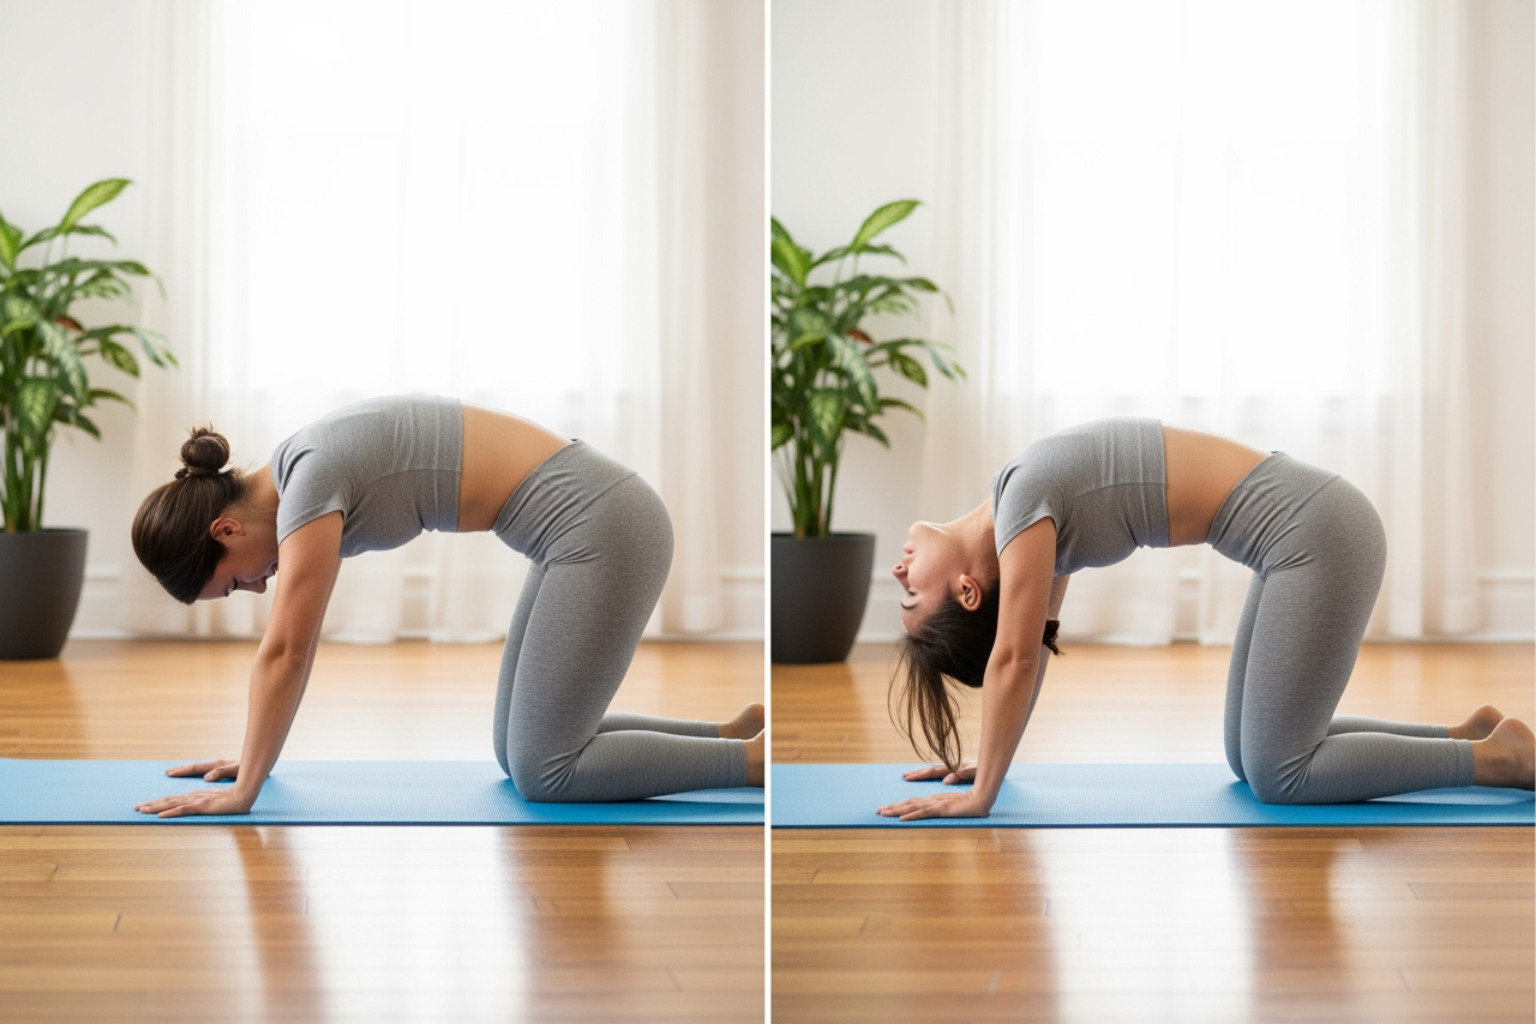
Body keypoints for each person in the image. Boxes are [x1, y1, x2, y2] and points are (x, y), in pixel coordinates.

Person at [130, 394, 764, 817]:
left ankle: (752, 763)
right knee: (515, 756)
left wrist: (245, 790)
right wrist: (255, 755)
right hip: (584, 527)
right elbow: (287, 651)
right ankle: (728, 735)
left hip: (603, 525)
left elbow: (288, 650)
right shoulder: (300, 471)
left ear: (225, 532)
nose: (258, 587)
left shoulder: (308, 484)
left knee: (547, 772)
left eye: (236, 583)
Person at [877, 419, 1534, 820]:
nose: (899, 576)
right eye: (909, 597)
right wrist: (991, 767)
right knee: (1247, 759)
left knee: (1280, 775)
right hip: (1302, 539)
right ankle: (1463, 733)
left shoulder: (1020, 504)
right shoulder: (1027, 519)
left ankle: (1491, 762)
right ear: (967, 592)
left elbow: (1014, 657)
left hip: (1318, 532)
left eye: (903, 596)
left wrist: (983, 793)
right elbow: (1033, 647)